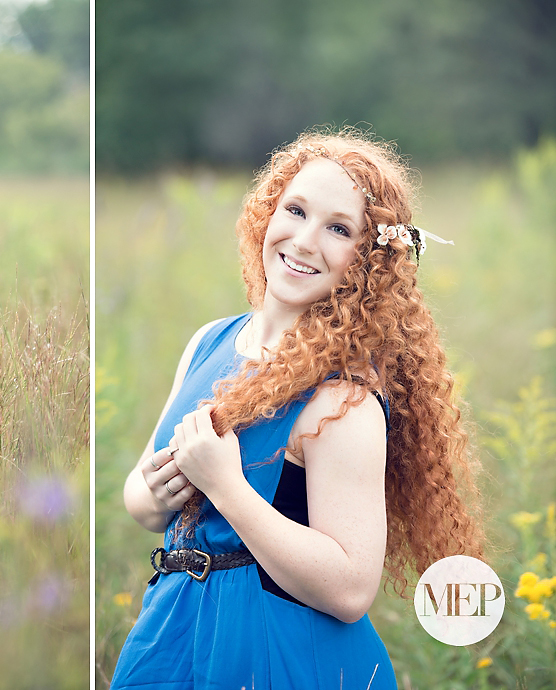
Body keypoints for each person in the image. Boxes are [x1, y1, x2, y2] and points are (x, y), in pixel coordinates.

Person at [112, 129, 484, 688]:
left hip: (272, 651)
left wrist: (227, 488)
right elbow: (143, 506)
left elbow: (351, 589)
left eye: (339, 229)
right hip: (172, 634)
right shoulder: (209, 342)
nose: (306, 240)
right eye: (296, 210)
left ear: (368, 261)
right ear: (268, 212)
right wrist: (153, 492)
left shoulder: (342, 400)